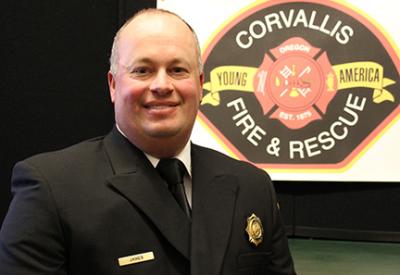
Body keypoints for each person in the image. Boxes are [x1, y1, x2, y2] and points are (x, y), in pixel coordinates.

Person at [0, 8, 296, 275]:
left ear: (201, 84)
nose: (162, 85)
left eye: (178, 70)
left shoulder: (252, 187)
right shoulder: (52, 190)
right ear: (113, 85)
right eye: (142, 70)